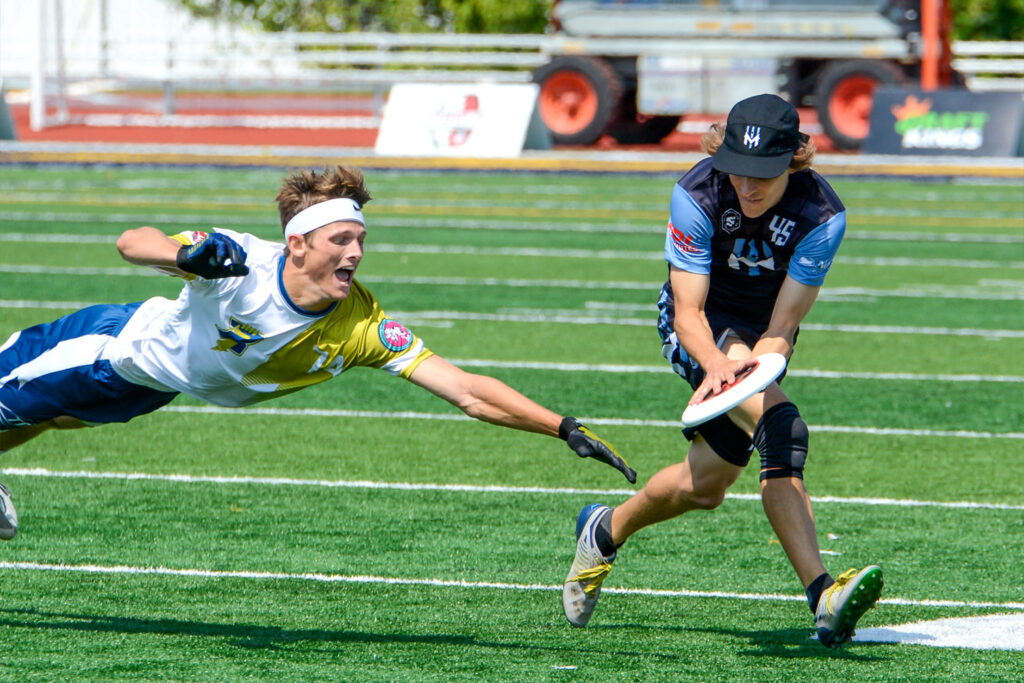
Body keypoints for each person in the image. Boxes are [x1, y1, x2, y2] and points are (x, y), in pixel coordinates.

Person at [0, 165, 636, 540]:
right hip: (103, 350)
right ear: (297, 244)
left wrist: (562, 427)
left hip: (153, 387)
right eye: (341, 239)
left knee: (41, 420)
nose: (355, 253)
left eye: (360, 239)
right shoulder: (238, 259)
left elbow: (466, 389)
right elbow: (129, 241)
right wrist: (182, 254)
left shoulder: (363, 323)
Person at [561, 94, 882, 649]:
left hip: (764, 335)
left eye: (762, 175)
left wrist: (753, 366)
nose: (747, 186)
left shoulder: (823, 216)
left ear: (795, 161)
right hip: (701, 326)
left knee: (705, 484)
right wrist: (716, 365)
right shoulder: (696, 192)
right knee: (782, 429)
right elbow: (688, 311)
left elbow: (783, 327)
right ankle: (824, 595)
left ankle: (603, 531)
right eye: (737, 171)